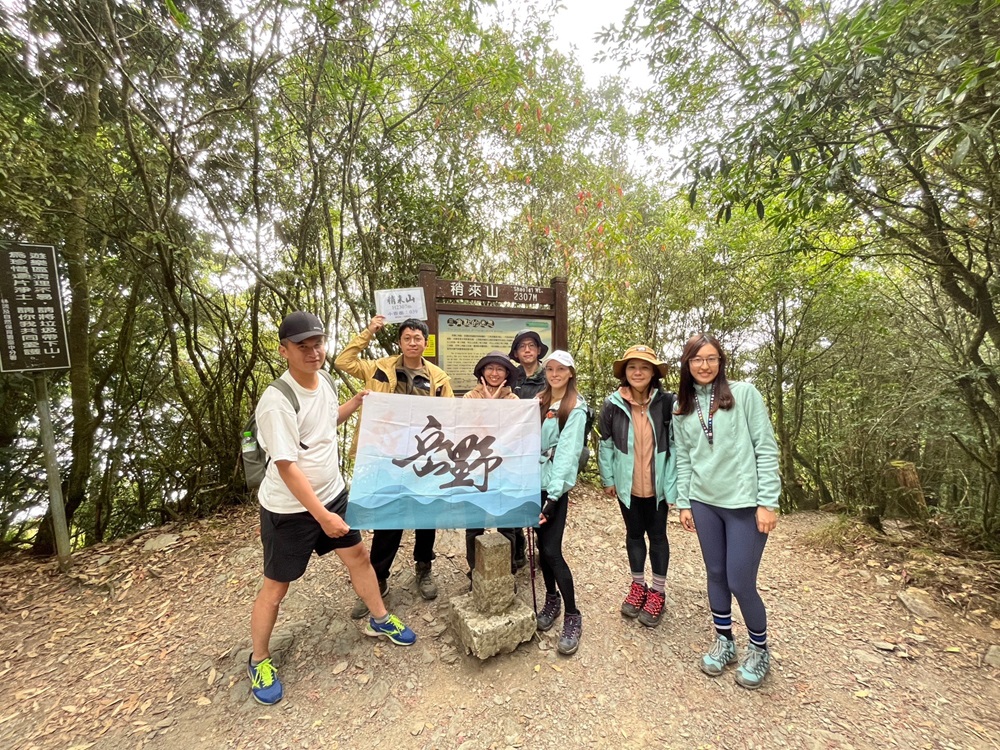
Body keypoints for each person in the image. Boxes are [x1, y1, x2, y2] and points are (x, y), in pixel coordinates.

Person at [249, 311, 416, 706]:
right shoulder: (277, 401)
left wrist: (356, 403)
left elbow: (326, 425)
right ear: (283, 350)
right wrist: (322, 517)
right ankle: (259, 659)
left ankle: (379, 618)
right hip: (289, 509)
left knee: (358, 556)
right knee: (276, 587)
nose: (313, 352)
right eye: (302, 347)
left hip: (332, 492)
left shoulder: (322, 380)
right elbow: (286, 466)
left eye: (317, 343)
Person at [673, 333, 780, 689]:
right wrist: (684, 502)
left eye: (711, 358)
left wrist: (768, 501)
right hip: (704, 502)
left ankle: (759, 649)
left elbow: (765, 447)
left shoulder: (745, 394)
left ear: (721, 361)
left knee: (740, 580)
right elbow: (685, 459)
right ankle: (725, 641)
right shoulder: (682, 407)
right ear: (687, 365)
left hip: (744, 504)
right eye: (697, 359)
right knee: (715, 573)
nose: (704, 366)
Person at [335, 315, 454, 617]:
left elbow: (451, 414)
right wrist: (369, 332)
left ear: (426, 344)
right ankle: (378, 580)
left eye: (418, 338)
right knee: (389, 519)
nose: (413, 342)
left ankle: (424, 568)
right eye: (407, 337)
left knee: (427, 515)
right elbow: (343, 361)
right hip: (386, 456)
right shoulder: (380, 368)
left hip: (425, 457)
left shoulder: (439, 378)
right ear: (400, 341)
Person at [597, 345, 677, 629]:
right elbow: (605, 443)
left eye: (644, 367)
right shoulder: (613, 404)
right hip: (627, 486)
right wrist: (608, 478)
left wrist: (673, 486)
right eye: (632, 367)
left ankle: (658, 591)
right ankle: (638, 586)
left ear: (654, 372)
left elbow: (678, 446)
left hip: (658, 488)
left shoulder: (667, 403)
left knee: (657, 536)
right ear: (625, 373)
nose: (638, 372)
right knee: (633, 535)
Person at [535, 350, 587, 656]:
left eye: (561, 369)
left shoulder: (574, 408)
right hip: (532, 485)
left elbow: (567, 455)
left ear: (570, 373)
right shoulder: (539, 402)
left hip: (552, 489)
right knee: (541, 550)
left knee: (553, 551)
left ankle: (572, 614)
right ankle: (551, 598)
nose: (554, 374)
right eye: (550, 368)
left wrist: (554, 497)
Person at [463, 351, 521, 579]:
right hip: (474, 471)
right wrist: (487, 405)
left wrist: (495, 404)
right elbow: (465, 432)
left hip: (505, 471)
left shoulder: (514, 401)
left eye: (500, 369)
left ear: (507, 373)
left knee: (507, 524)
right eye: (490, 368)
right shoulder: (469, 398)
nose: (494, 373)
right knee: (474, 526)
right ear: (482, 372)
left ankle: (506, 571)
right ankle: (475, 570)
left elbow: (514, 434)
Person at [506, 329, 550, 567]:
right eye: (522, 346)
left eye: (531, 345)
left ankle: (545, 550)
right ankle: (519, 551)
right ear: (516, 352)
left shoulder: (549, 377)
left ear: (538, 350)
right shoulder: (510, 378)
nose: (527, 350)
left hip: (542, 449)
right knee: (514, 500)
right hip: (514, 449)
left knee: (542, 501)